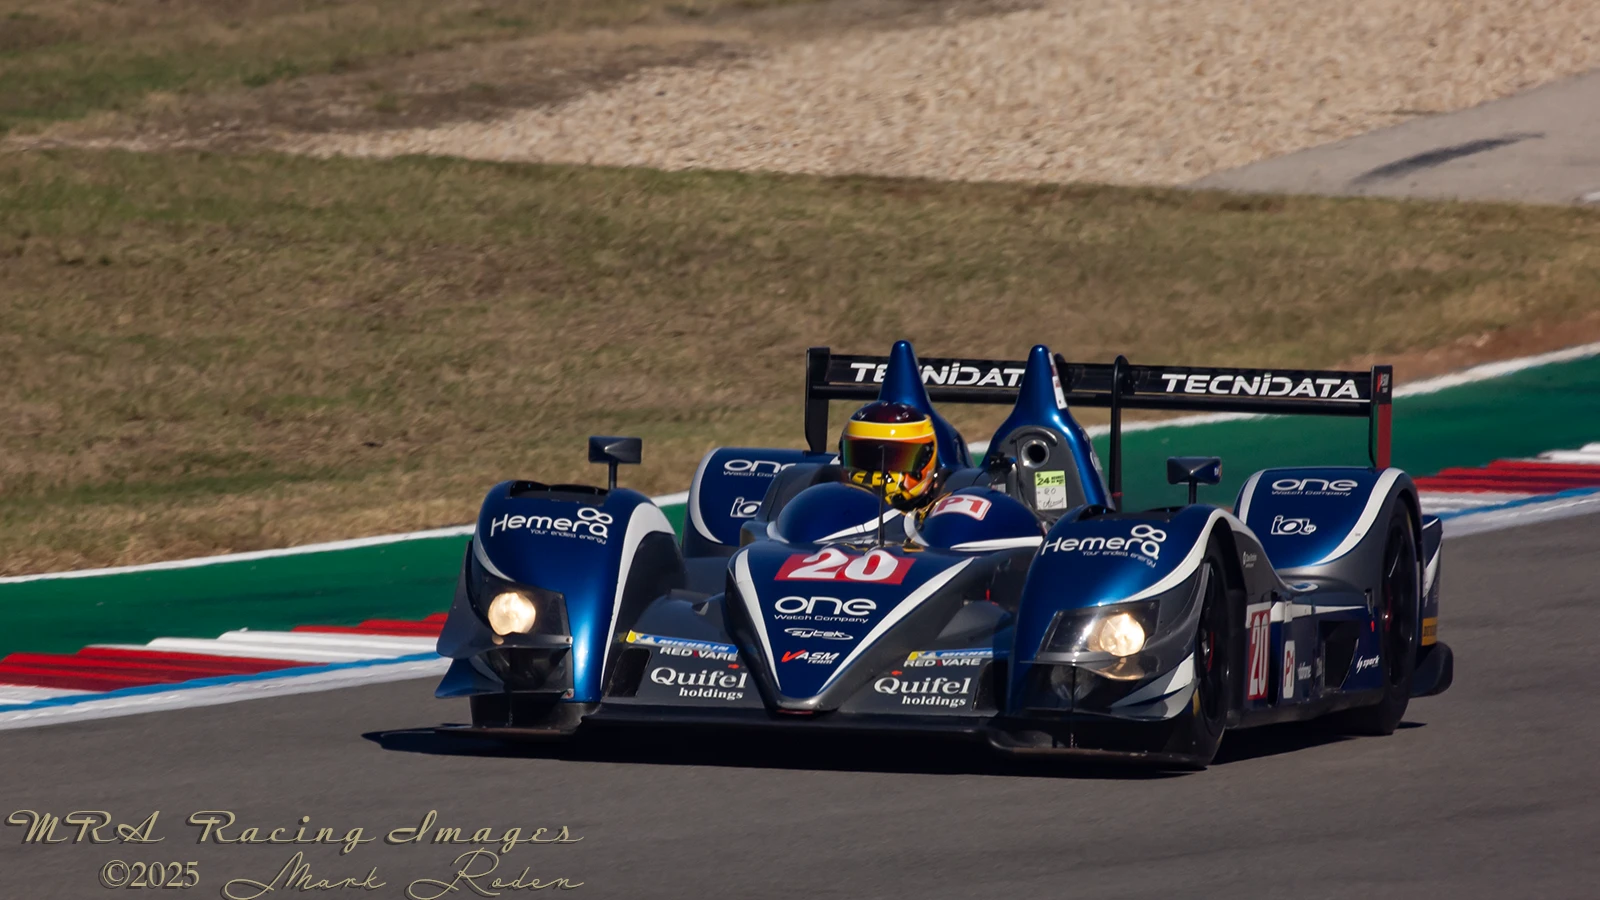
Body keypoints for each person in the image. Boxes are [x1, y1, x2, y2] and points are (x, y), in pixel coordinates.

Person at [839, 400, 944, 512]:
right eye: (865, 457)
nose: (877, 474)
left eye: (896, 459)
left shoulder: (939, 517)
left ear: (926, 457)